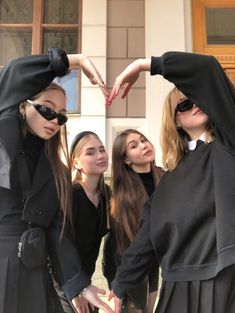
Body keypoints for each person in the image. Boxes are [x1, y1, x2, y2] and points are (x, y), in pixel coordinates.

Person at [106, 51, 235, 313]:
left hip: (225, 278)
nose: (194, 104)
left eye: (196, 97)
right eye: (184, 105)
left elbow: (208, 68)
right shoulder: (167, 180)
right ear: (175, 120)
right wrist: (119, 287)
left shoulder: (228, 143)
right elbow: (146, 240)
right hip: (178, 290)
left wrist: (148, 65)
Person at [0, 48, 113, 313]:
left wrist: (78, 284)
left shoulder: (57, 170)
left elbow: (55, 230)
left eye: (61, 116)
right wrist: (70, 61)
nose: (54, 120)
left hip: (34, 270)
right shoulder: (5, 137)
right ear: (22, 105)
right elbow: (13, 75)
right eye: (47, 110)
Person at [103, 129, 163, 313]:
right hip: (128, 264)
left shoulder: (163, 177)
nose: (144, 145)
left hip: (154, 263)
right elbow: (123, 246)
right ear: (126, 160)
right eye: (134, 145)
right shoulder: (123, 196)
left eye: (144, 140)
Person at [55, 130, 111, 313]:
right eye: (90, 152)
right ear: (76, 162)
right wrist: (76, 289)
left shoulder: (107, 195)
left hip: (87, 281)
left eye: (102, 149)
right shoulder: (68, 195)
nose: (100, 155)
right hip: (63, 282)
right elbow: (60, 246)